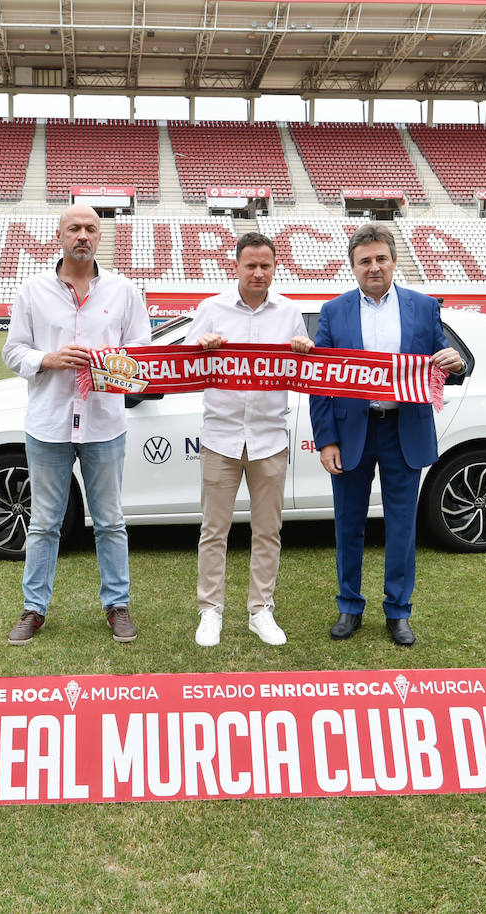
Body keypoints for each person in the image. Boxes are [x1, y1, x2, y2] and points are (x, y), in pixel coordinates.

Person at [0, 204, 152, 645]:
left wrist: (112, 365)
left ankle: (117, 606)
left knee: (110, 520)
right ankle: (33, 609)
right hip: (48, 424)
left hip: (104, 423)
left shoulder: (123, 290)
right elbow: (13, 352)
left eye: (90, 228)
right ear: (60, 235)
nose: (82, 235)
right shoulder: (32, 289)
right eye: (74, 228)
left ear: (100, 236)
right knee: (44, 522)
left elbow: (141, 350)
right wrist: (45, 359)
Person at [308, 223, 465, 646]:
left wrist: (454, 363)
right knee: (349, 526)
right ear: (353, 267)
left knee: (401, 527)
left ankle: (398, 611)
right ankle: (349, 606)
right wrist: (326, 440)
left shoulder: (424, 307)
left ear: (394, 261)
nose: (373, 267)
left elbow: (444, 366)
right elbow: (321, 381)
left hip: (403, 430)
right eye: (365, 261)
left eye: (380, 259)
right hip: (352, 432)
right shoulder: (334, 311)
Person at [182, 232, 314, 647]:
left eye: (265, 266)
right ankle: (210, 612)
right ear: (235, 266)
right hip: (221, 436)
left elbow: (303, 368)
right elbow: (183, 364)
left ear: (275, 268)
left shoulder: (289, 312)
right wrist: (200, 347)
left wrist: (305, 351)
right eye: (250, 266)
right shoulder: (211, 308)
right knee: (213, 530)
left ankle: (261, 610)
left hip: (270, 437)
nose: (258, 273)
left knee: (268, 531)